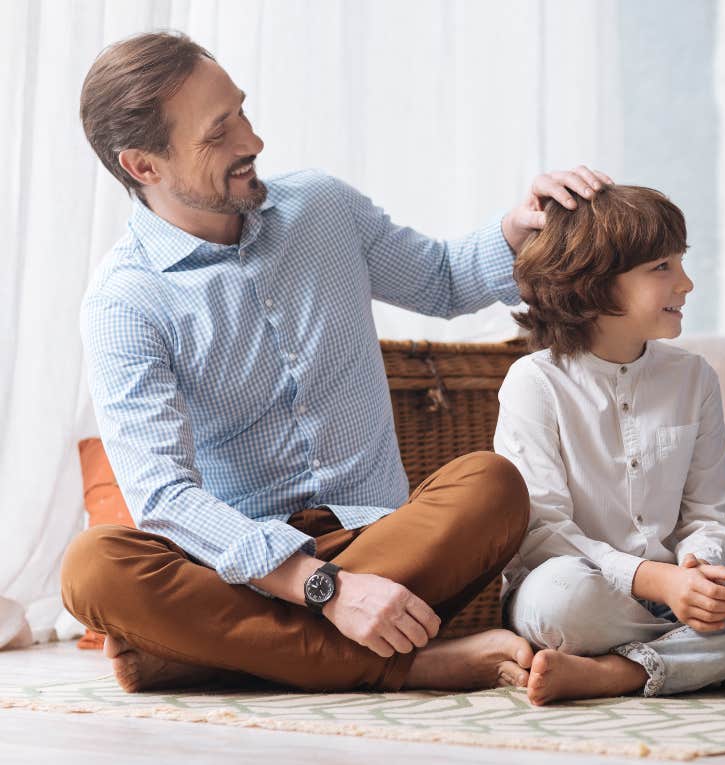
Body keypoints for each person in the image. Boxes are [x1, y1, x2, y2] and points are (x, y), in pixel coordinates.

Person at [61, 30, 611, 693]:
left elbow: (441, 278)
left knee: (492, 485)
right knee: (93, 567)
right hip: (246, 564)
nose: (252, 141)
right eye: (219, 133)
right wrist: (322, 588)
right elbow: (165, 497)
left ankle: (217, 653)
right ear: (144, 166)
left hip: (383, 540)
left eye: (242, 110)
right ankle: (411, 664)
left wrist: (517, 228)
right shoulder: (125, 302)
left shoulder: (321, 206)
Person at [493, 185, 725, 705]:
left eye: (681, 263)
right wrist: (653, 580)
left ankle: (622, 672)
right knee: (563, 600)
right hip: (578, 593)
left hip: (673, 602)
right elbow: (541, 532)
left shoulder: (693, 377)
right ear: (591, 283)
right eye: (661, 267)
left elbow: (708, 513)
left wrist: (698, 566)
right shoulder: (534, 382)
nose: (686, 283)